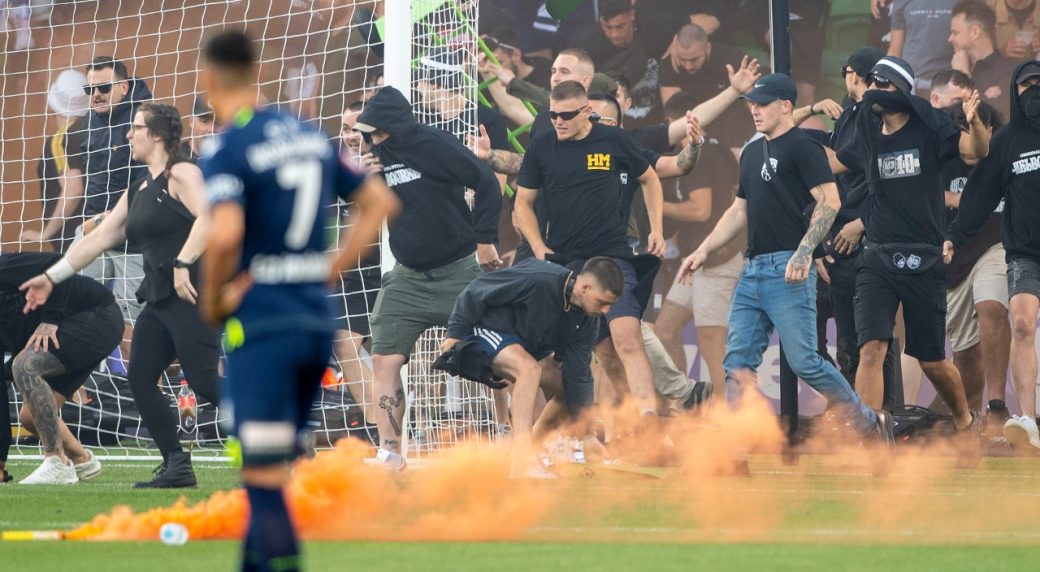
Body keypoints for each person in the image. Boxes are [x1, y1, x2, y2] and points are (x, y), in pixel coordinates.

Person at [195, 30, 398, 572]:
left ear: (208, 78)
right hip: (314, 321)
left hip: (262, 322)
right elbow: (378, 201)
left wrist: (214, 296)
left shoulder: (228, 147)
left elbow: (224, 232)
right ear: (257, 71)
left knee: (262, 481)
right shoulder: (309, 135)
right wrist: (330, 267)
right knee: (274, 467)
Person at [678, 73, 893, 473]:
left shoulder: (803, 146)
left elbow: (829, 201)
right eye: (752, 104)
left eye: (762, 103)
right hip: (753, 269)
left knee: (806, 362)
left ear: (786, 106)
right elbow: (738, 210)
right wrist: (703, 250)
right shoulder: (752, 151)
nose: (754, 109)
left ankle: (870, 425)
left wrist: (804, 252)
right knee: (737, 363)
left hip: (788, 271)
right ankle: (736, 456)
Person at [22, 102, 220, 488]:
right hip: (159, 298)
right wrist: (51, 276)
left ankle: (285, 432)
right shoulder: (140, 186)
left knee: (206, 383)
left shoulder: (182, 172)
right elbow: (98, 237)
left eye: (136, 128)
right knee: (141, 378)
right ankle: (177, 464)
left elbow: (210, 217)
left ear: (157, 135)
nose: (128, 135)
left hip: (193, 292)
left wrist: (183, 262)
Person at [828, 57, 981, 460]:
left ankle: (965, 420)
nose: (875, 89)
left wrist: (975, 123)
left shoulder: (929, 131)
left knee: (931, 361)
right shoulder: (865, 129)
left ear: (901, 90)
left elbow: (974, 149)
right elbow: (834, 161)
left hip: (924, 259)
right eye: (872, 82)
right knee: (872, 348)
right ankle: (872, 442)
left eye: (884, 83)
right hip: (877, 256)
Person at [353, 85, 501, 471]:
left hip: (459, 270)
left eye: (378, 131)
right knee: (383, 359)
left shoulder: (435, 144)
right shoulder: (373, 158)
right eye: (369, 133)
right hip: (407, 278)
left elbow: (485, 182)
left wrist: (486, 240)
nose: (373, 139)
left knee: (506, 355)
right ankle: (390, 453)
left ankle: (517, 440)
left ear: (397, 125)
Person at [515, 80, 664, 420]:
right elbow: (523, 203)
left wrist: (657, 228)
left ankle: (646, 418)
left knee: (627, 337)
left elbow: (651, 178)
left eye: (566, 115)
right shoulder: (541, 146)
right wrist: (538, 247)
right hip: (566, 261)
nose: (558, 122)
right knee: (599, 354)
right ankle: (610, 424)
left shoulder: (613, 139)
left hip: (611, 254)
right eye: (553, 115)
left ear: (586, 113)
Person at [441, 257, 622, 477]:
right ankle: (522, 463)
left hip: (520, 346)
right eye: (602, 302)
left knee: (568, 387)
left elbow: (578, 377)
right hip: (484, 329)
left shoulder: (588, 322)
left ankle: (532, 449)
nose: (606, 311)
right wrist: (454, 334)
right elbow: (477, 288)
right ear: (584, 287)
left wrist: (587, 435)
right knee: (529, 370)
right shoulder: (541, 279)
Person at [946, 60, 1040, 453]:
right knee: (1020, 323)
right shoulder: (1007, 142)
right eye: (1026, 85)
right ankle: (1029, 424)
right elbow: (979, 196)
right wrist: (954, 233)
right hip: (1023, 251)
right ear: (1016, 92)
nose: (1033, 91)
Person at [806, 47, 901, 404]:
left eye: (850, 70)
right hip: (841, 243)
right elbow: (832, 181)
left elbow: (882, 178)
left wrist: (862, 222)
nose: (849, 78)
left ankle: (884, 420)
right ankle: (855, 419)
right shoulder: (847, 117)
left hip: (874, 240)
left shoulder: (879, 117)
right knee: (850, 342)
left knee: (875, 340)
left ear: (856, 74)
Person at [653, 92, 744, 400]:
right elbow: (730, 197)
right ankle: (685, 401)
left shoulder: (700, 154)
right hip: (700, 258)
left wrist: (656, 204)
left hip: (716, 260)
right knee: (664, 330)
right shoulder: (720, 151)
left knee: (711, 342)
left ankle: (727, 416)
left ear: (675, 122)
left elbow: (700, 210)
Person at [4, 252, 121, 484]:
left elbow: (57, 263)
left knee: (26, 366)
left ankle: (56, 461)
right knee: (30, 416)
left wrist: (51, 319)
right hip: (75, 330)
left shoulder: (4, 267)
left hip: (97, 314)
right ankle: (82, 460)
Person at [940, 98, 1010, 428]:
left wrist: (960, 200)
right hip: (953, 258)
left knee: (991, 306)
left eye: (974, 130)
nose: (967, 141)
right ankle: (970, 421)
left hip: (996, 247)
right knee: (966, 354)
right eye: (961, 132)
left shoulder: (1003, 156)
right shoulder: (940, 160)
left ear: (989, 131)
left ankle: (997, 407)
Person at [77, 56, 153, 361]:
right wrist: (92, 219)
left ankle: (146, 392)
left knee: (131, 321)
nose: (96, 94)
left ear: (123, 86)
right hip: (94, 230)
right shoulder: (90, 122)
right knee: (68, 303)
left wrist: (105, 219)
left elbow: (146, 183)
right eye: (90, 89)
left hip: (131, 236)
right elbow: (90, 178)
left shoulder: (144, 119)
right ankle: (75, 394)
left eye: (104, 87)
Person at [20, 69, 89, 253]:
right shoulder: (99, 131)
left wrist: (46, 234)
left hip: (75, 242)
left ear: (53, 105)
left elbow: (73, 190)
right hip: (106, 233)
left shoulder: (60, 141)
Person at [657, 24, 756, 152]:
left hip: (735, 126)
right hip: (694, 132)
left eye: (694, 60)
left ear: (708, 48)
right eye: (683, 60)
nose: (688, 66)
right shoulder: (670, 65)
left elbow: (757, 101)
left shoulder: (732, 59)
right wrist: (705, 147)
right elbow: (675, 115)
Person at [574, 0, 661, 126]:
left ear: (632, 14)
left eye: (620, 26)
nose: (614, 34)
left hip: (653, 117)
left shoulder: (654, 31)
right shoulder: (585, 44)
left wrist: (676, 44)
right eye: (607, 27)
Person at [949, 0, 1019, 119]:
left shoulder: (1009, 71)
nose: (950, 39)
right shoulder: (953, 66)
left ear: (975, 32)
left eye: (955, 33)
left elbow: (994, 119)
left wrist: (964, 77)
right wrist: (983, 97)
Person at [887, 0, 958, 93]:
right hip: (911, 81)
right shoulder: (901, 2)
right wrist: (885, 79)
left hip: (950, 80)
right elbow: (894, 50)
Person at [183, 94, 215, 162]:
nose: (211, 129)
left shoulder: (229, 157)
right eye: (204, 121)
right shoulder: (175, 157)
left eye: (217, 123)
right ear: (191, 122)